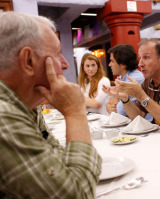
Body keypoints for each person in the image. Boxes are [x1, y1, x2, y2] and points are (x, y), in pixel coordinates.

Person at [0, 12, 101, 198]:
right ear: (28, 60)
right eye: (57, 53)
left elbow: (55, 158)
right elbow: (75, 194)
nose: (65, 64)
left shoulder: (27, 105)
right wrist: (75, 113)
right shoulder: (3, 118)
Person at [106, 44, 152, 121]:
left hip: (144, 127)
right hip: (131, 124)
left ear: (123, 64)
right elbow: (110, 104)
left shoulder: (134, 79)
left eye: (112, 61)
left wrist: (115, 102)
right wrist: (112, 104)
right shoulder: (122, 78)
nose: (109, 64)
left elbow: (120, 112)